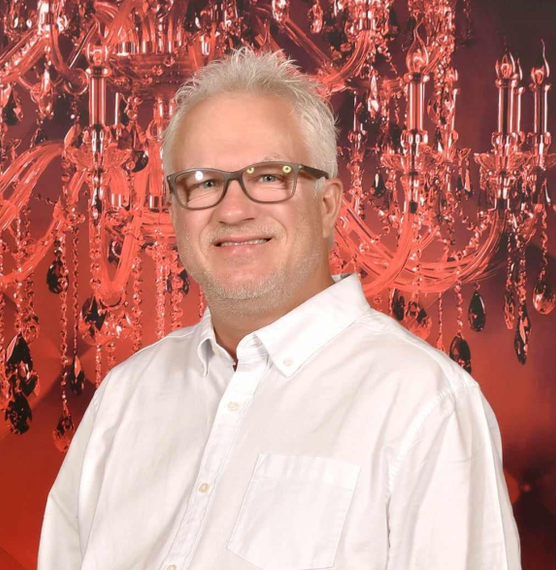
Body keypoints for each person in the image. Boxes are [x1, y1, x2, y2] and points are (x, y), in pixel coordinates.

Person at [38, 47, 521, 570]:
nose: (233, 209)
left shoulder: (423, 402)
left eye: (269, 176)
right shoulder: (125, 397)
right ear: (174, 211)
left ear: (328, 202)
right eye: (202, 183)